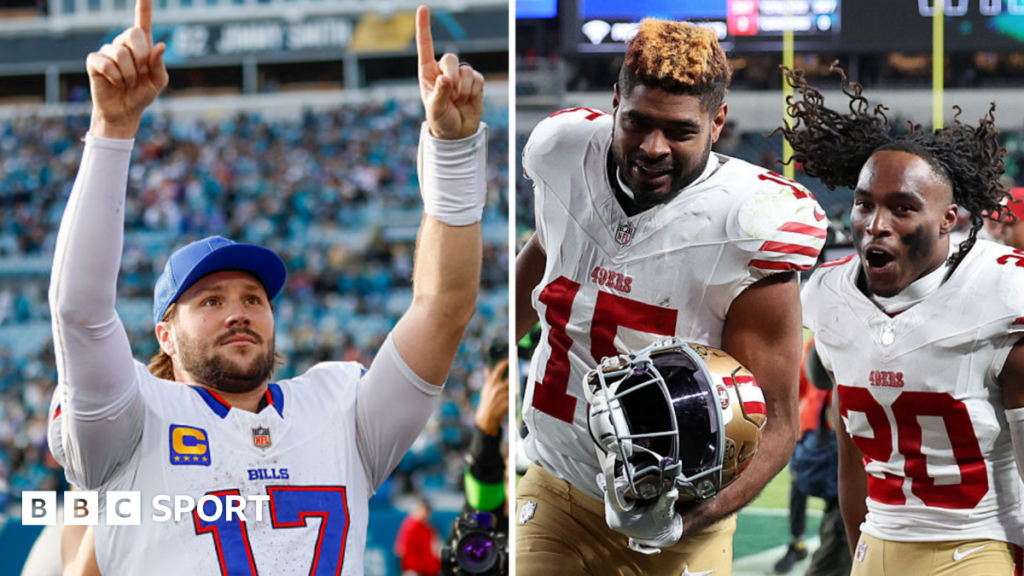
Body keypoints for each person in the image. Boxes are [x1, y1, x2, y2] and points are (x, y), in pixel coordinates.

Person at [44, 1, 487, 574]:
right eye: (210, 300)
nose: (239, 312)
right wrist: (112, 129)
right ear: (165, 337)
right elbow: (81, 312)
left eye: (253, 298)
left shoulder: (339, 411)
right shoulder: (131, 424)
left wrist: (452, 152)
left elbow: (443, 309)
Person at [514, 17, 827, 575]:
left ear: (717, 122)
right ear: (614, 102)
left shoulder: (750, 222)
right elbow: (545, 249)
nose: (653, 147)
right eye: (637, 122)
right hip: (556, 485)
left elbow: (778, 422)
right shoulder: (561, 153)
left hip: (679, 520)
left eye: (680, 131)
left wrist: (686, 519)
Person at [781, 65, 1024, 575]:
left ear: (947, 219)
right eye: (865, 205)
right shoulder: (830, 295)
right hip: (878, 544)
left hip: (978, 545)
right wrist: (859, 549)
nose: (876, 225)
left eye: (903, 208)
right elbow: (850, 450)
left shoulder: (1002, 292)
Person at [395, 498, 442, 576]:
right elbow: (403, 550)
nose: (427, 513)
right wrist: (411, 570)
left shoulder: (429, 528)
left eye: (428, 510)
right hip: (415, 572)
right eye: (424, 509)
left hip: (429, 572)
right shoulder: (411, 526)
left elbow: (434, 552)